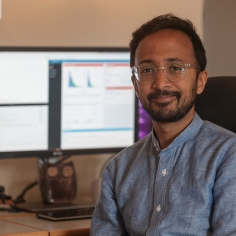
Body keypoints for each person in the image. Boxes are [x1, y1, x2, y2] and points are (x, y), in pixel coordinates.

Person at [90, 13, 236, 235]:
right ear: (135, 85)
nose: (160, 83)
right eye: (147, 70)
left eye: (175, 68)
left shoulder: (228, 156)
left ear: (200, 81)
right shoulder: (118, 169)